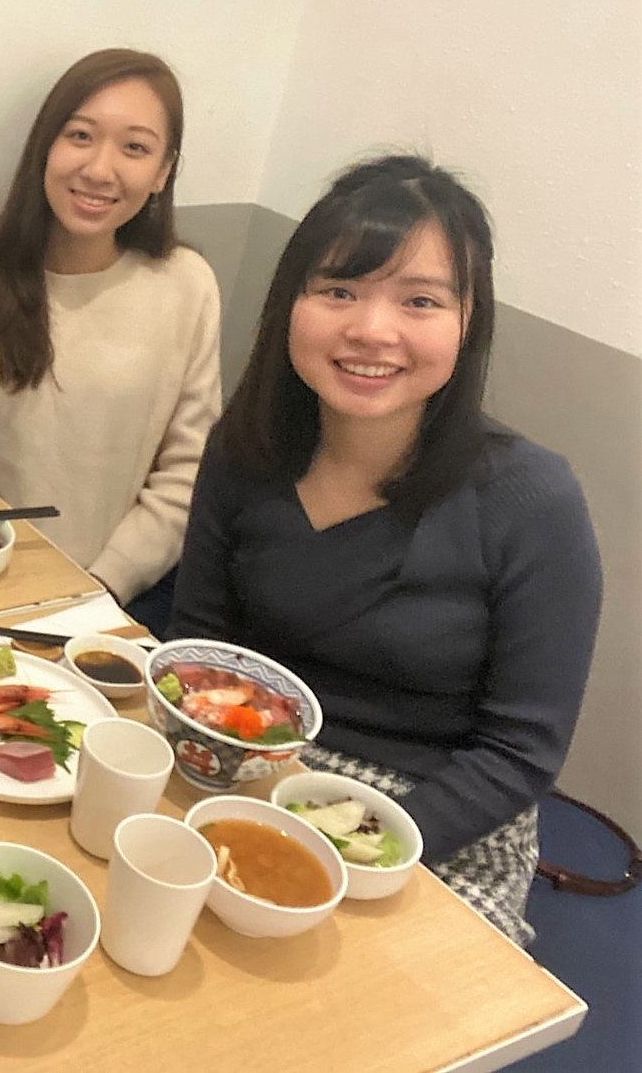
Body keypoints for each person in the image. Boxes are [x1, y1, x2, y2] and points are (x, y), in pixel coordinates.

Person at [169, 154, 603, 944]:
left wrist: (350, 845)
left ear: (466, 322)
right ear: (289, 304)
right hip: (257, 763)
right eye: (338, 289)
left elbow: (519, 749)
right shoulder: (244, 447)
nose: (371, 329)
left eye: (420, 300)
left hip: (441, 816)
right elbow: (200, 648)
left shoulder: (533, 500)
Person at [0, 48, 221, 634]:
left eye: (135, 147)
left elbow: (190, 467)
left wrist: (100, 588)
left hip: (132, 600)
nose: (101, 169)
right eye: (81, 136)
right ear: (45, 148)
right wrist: (30, 594)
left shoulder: (188, 285)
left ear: (163, 171)